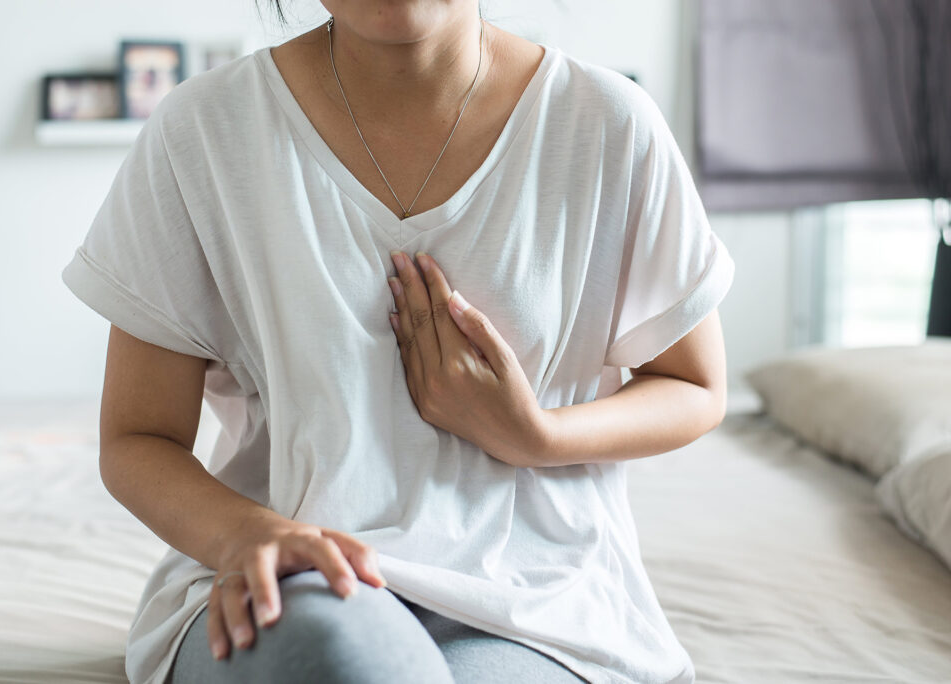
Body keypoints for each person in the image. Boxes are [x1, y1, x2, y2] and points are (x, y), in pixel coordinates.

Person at [62, 1, 735, 682]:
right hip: (299, 585)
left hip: (537, 604)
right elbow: (138, 438)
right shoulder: (204, 131)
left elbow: (694, 385)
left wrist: (536, 436)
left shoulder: (606, 124)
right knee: (353, 662)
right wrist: (247, 534)